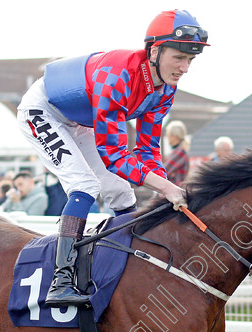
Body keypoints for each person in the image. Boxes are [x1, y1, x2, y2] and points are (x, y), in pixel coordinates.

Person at [17, 9, 208, 306]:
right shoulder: (118, 74)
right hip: (43, 111)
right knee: (86, 186)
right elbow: (114, 156)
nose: (184, 68)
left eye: (190, 60)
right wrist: (167, 189)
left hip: (81, 121)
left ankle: (130, 267)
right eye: (179, 58)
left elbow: (148, 150)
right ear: (155, 51)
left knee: (121, 191)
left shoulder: (165, 89)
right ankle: (61, 280)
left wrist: (165, 190)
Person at [163, 120, 190, 186]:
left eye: (168, 135)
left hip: (174, 191)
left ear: (174, 136)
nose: (167, 138)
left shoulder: (179, 152)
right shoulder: (179, 151)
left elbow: (164, 171)